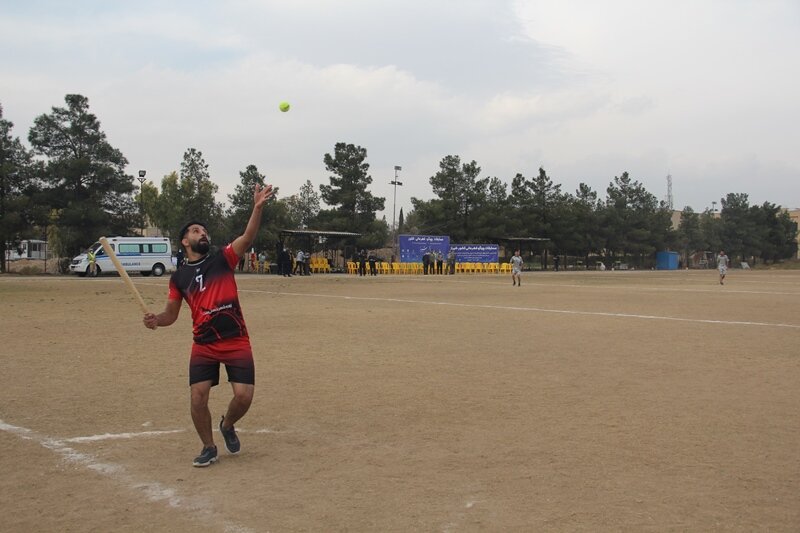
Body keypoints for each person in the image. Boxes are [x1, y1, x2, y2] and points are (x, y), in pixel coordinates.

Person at [143, 183, 275, 467]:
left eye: (204, 230)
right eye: (195, 231)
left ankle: (227, 425)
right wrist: (157, 320)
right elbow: (171, 315)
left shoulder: (222, 259)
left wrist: (257, 208)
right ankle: (208, 446)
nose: (202, 233)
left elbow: (248, 237)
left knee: (243, 396)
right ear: (185, 242)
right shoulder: (178, 278)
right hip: (203, 344)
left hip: (235, 339)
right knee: (197, 398)